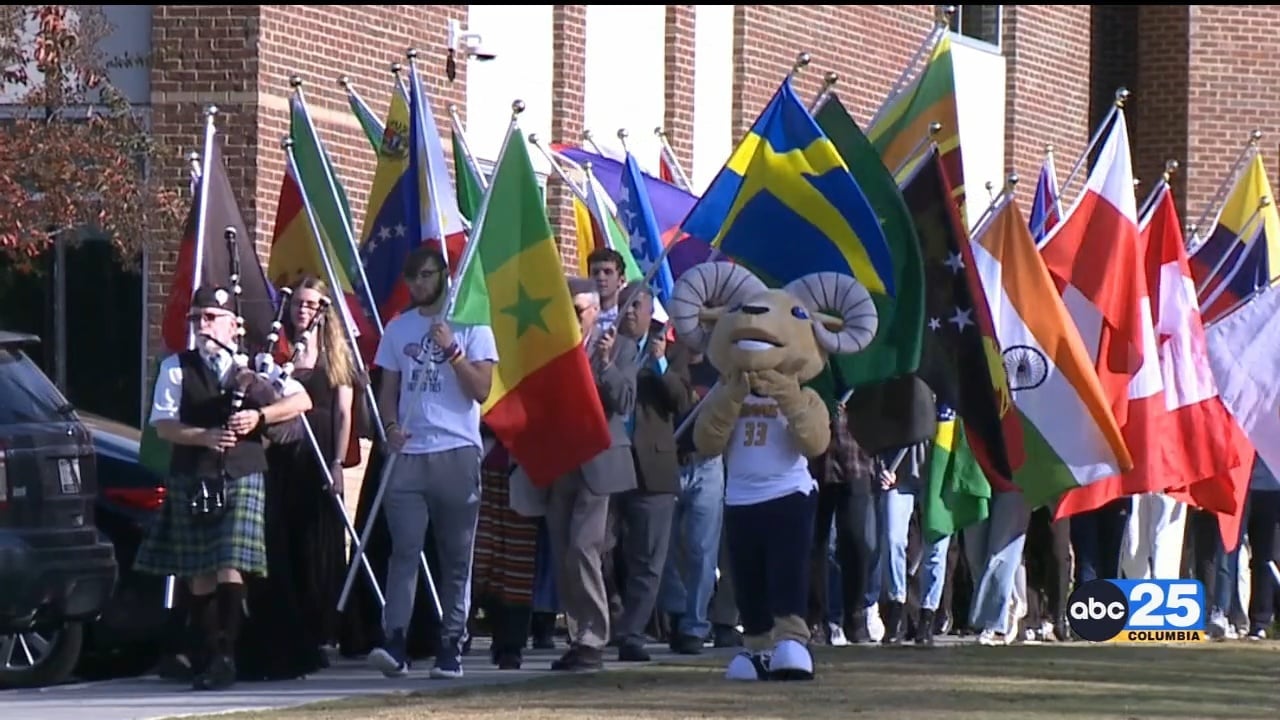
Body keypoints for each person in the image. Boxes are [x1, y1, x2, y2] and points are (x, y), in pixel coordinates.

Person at [134, 285, 312, 691]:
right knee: (199, 571)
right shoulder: (176, 367)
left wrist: (259, 417)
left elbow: (300, 400)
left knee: (230, 561)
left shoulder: (256, 365)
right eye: (196, 318)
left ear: (234, 326)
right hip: (193, 473)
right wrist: (205, 437)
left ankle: (225, 654)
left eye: (211, 318)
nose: (202, 326)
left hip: (242, 472)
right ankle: (208, 651)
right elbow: (164, 425)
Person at [366, 245, 498, 680]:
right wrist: (389, 426)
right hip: (409, 454)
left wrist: (453, 350)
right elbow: (388, 389)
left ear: (443, 275)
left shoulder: (473, 324)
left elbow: (482, 390)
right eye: (412, 279)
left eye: (425, 276)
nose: (418, 285)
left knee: (456, 554)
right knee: (404, 549)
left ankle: (451, 643)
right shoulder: (399, 329)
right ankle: (395, 640)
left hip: (456, 451)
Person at [237, 276, 360, 680]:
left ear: (325, 309)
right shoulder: (278, 350)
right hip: (283, 452)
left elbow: (344, 412)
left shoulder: (335, 354)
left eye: (311, 304)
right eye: (299, 303)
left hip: (320, 449)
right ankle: (290, 627)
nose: (303, 310)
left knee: (316, 539)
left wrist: (339, 463)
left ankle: (322, 625)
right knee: (283, 536)